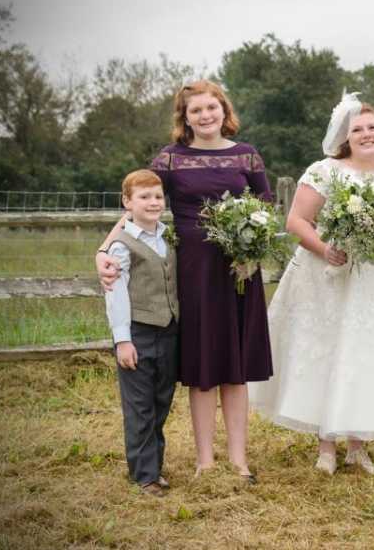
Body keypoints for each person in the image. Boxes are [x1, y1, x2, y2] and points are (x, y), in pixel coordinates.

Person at [97, 80, 271, 482]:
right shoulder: (171, 159)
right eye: (196, 111)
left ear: (223, 111)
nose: (205, 116)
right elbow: (138, 205)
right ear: (185, 118)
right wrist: (104, 250)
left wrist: (253, 251)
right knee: (204, 363)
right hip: (193, 270)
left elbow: (265, 207)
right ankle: (205, 461)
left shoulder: (247, 156)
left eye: (212, 107)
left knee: (236, 367)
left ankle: (239, 460)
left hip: (239, 269)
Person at [249, 96, 374, 475]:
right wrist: (325, 248)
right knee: (332, 349)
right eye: (357, 129)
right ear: (345, 136)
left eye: (372, 128)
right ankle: (326, 446)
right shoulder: (325, 170)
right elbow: (297, 221)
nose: (366, 134)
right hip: (331, 274)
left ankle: (357, 445)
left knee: (366, 351)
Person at [103, 169, 179, 497]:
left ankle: (153, 466)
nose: (152, 202)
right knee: (140, 406)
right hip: (138, 334)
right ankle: (144, 475)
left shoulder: (168, 236)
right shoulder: (121, 244)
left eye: (158, 196)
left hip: (170, 331)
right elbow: (116, 291)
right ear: (127, 203)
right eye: (144, 197)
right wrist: (123, 340)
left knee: (162, 401)